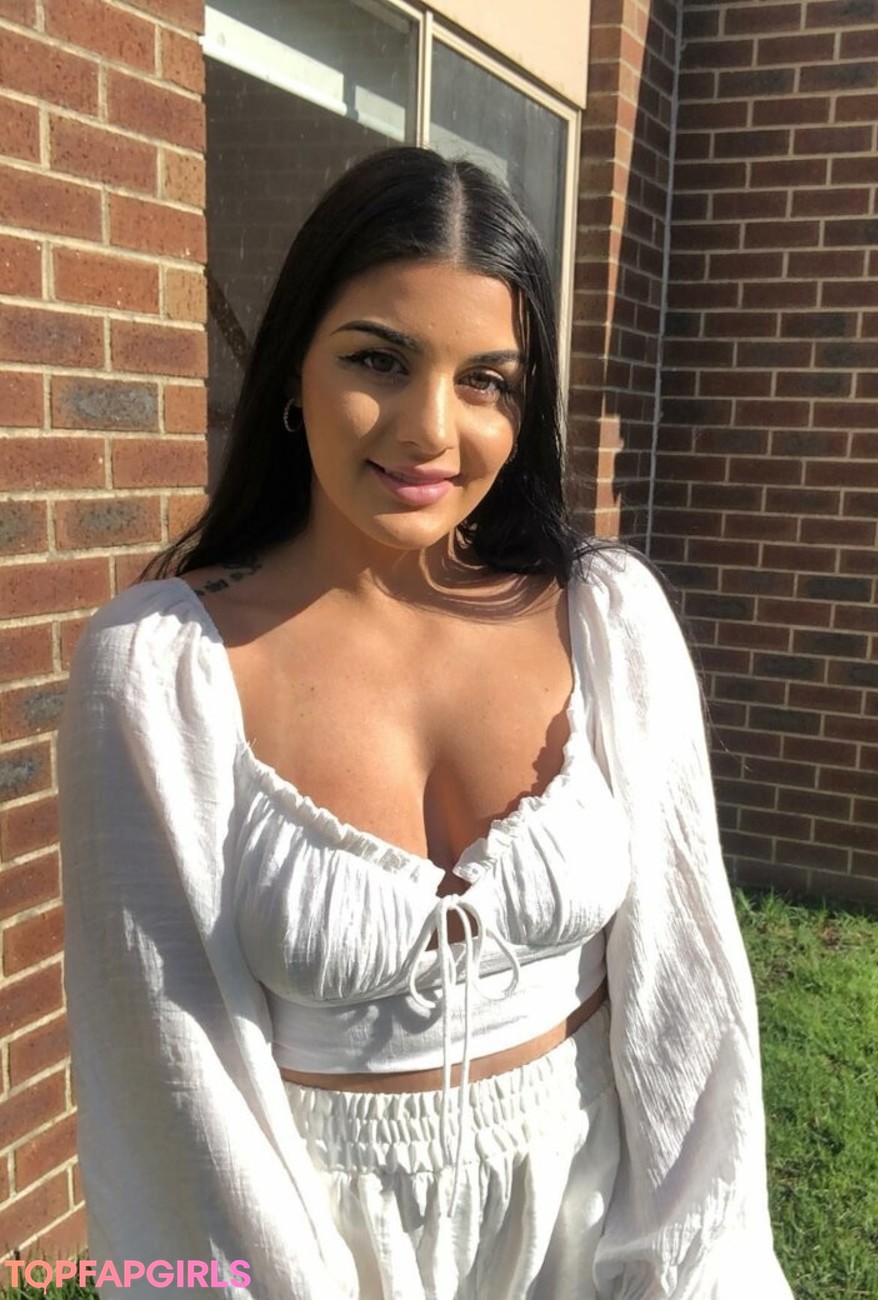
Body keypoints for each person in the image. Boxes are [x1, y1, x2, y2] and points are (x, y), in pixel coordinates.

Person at [59, 146, 793, 1300]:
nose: (429, 430)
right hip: (312, 1256)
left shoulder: (606, 620)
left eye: (486, 380)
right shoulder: (157, 671)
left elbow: (690, 997)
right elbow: (167, 1082)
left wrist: (694, 1274)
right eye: (378, 360)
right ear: (292, 370)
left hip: (589, 1237)